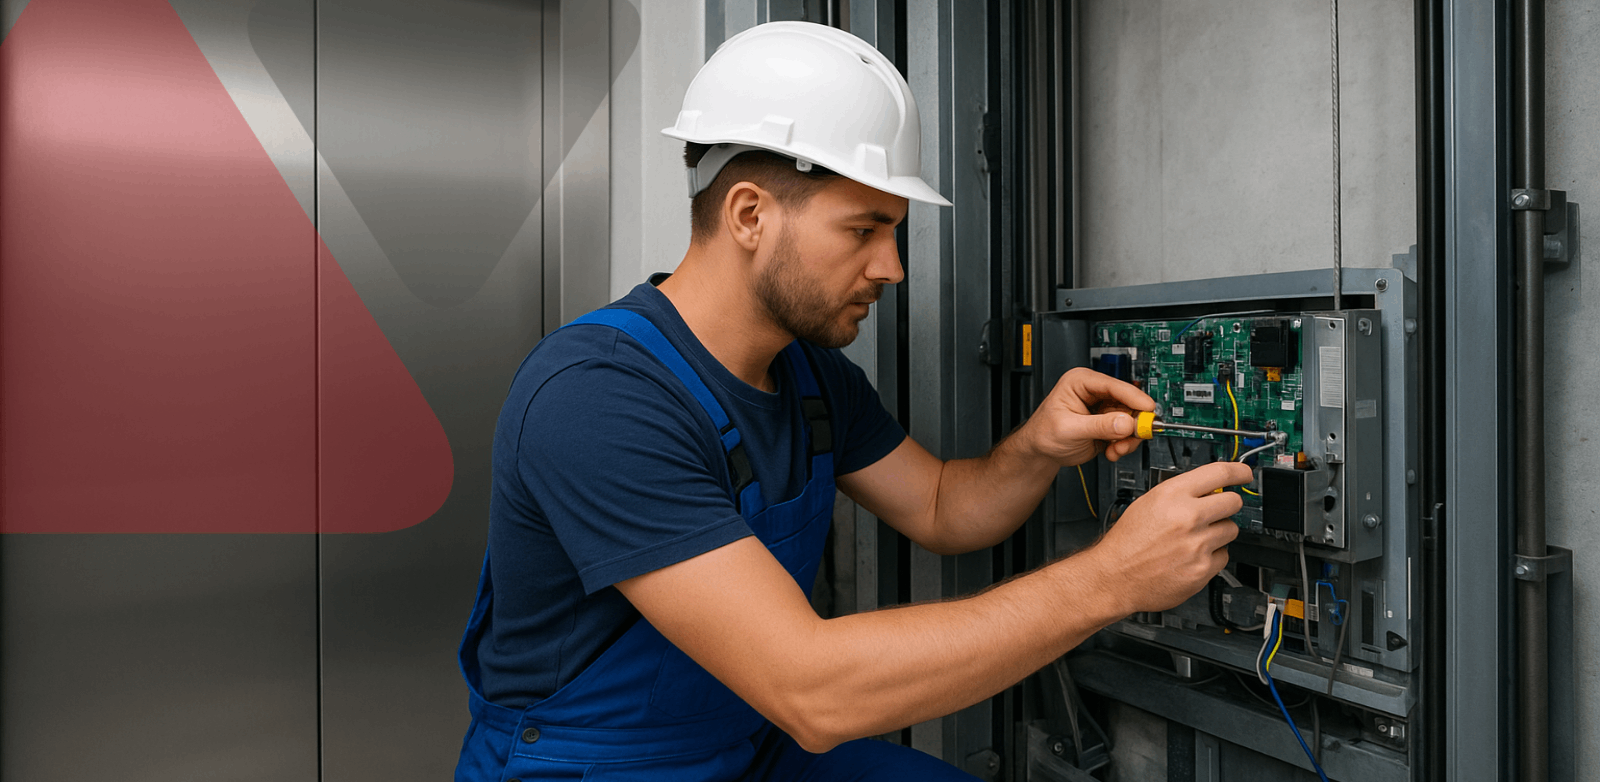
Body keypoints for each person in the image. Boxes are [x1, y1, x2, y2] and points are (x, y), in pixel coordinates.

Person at [454, 21, 1249, 782]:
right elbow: (812, 690)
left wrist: (1038, 445)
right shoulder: (598, 396)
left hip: (751, 747)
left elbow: (941, 507)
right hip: (597, 764)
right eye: (864, 229)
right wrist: (1109, 580)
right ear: (749, 215)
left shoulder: (809, 375)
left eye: (892, 232)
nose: (891, 267)